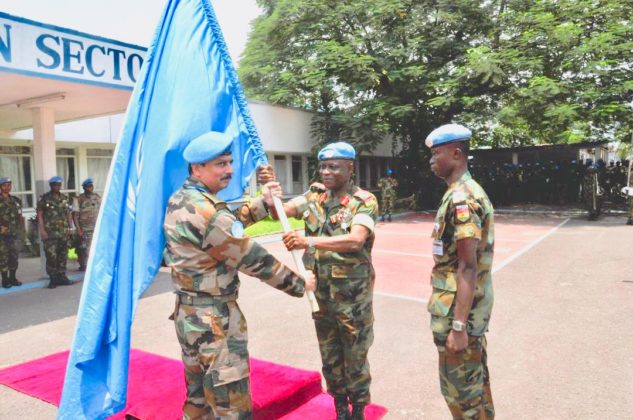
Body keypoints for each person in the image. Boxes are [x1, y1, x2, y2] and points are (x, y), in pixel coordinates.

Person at [163, 131, 316, 419]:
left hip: (190, 315)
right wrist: (300, 283)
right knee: (231, 407)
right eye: (220, 164)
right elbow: (251, 257)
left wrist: (262, 202)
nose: (230, 170)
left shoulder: (182, 199)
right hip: (214, 321)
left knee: (199, 403)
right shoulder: (208, 211)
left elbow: (224, 228)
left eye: (230, 162)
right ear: (197, 168)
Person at [270, 141, 378, 420]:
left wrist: (309, 240)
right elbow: (278, 212)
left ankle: (359, 409)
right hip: (321, 294)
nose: (326, 172)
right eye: (323, 166)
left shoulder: (363, 201)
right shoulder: (313, 196)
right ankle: (340, 406)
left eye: (334, 166)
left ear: (350, 167)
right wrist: (270, 191)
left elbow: (356, 240)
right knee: (330, 355)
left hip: (352, 298)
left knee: (355, 356)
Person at [426, 124, 495, 419]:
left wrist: (458, 327)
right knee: (476, 388)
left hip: (458, 314)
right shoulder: (458, 192)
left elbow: (468, 265)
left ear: (456, 154)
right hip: (458, 309)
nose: (431, 160)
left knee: (460, 394)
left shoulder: (462, 199)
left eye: (437, 153)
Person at [37, 176, 73, 288]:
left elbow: (68, 214)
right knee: (51, 256)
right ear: (51, 185)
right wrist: (42, 230)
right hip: (50, 232)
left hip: (63, 232)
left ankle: (62, 276)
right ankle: (53, 278)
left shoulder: (65, 198)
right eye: (55, 185)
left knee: (63, 255)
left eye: (59, 185)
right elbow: (40, 215)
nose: (57, 186)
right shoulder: (45, 199)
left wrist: (70, 228)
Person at [72, 178, 102, 270]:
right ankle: (86, 266)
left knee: (97, 247)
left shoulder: (97, 197)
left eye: (91, 186)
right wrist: (78, 229)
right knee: (85, 249)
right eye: (87, 186)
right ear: (84, 188)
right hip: (85, 228)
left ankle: (96, 265)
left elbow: (102, 211)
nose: (90, 188)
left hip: (96, 227)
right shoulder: (79, 199)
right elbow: (75, 215)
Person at [0, 177, 24, 288]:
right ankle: (5, 280)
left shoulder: (16, 200)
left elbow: (20, 216)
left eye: (9, 185)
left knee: (14, 256)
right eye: (4, 185)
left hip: (14, 234)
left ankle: (13, 278)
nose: (7, 187)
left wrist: (21, 231)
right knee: (3, 257)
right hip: (2, 235)